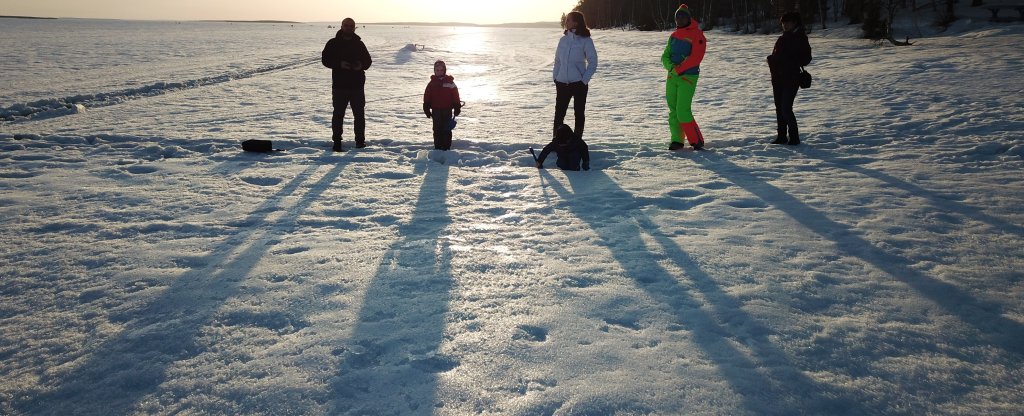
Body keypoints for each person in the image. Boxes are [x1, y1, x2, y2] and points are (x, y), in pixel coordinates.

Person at [322, 17, 372, 151]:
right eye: (346, 25)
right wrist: (339, 64)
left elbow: (368, 61)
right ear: (342, 26)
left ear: (354, 27)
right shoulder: (333, 43)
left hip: (357, 86)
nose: (349, 28)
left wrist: (359, 65)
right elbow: (325, 60)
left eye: (351, 26)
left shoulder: (359, 44)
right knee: (338, 114)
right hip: (339, 85)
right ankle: (337, 142)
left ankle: (360, 141)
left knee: (359, 115)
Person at [661, 4, 707, 151]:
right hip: (672, 77)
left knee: (682, 110)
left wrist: (679, 69)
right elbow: (665, 56)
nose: (679, 19)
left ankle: (696, 140)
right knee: (673, 110)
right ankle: (677, 140)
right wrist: (671, 68)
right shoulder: (673, 36)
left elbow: (696, 57)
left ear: (688, 18)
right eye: (677, 17)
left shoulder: (697, 35)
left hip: (688, 77)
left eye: (682, 16)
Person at [767, 12, 812, 146]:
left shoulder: (800, 38)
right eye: (783, 23)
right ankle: (781, 136)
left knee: (786, 108)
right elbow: (777, 56)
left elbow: (807, 58)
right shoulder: (783, 38)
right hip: (777, 78)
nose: (785, 25)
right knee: (779, 108)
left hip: (791, 78)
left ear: (795, 23)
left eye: (788, 22)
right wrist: (771, 60)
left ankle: (794, 137)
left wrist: (790, 62)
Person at [553, 11, 598, 140]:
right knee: (559, 115)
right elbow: (557, 60)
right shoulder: (563, 40)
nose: (565, 22)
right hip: (562, 83)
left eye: (568, 20)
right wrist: (556, 77)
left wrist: (584, 80)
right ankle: (557, 142)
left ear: (576, 22)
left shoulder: (585, 40)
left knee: (578, 114)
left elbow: (593, 62)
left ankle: (577, 142)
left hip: (578, 84)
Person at [423, 60, 462, 151]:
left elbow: (455, 95)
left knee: (446, 129)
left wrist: (457, 106)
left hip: (447, 110)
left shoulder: (449, 82)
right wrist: (426, 107)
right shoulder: (432, 84)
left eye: (441, 70)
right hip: (436, 110)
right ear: (434, 71)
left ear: (444, 70)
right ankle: (438, 147)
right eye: (437, 70)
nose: (439, 72)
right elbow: (427, 96)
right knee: (437, 129)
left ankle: (446, 147)